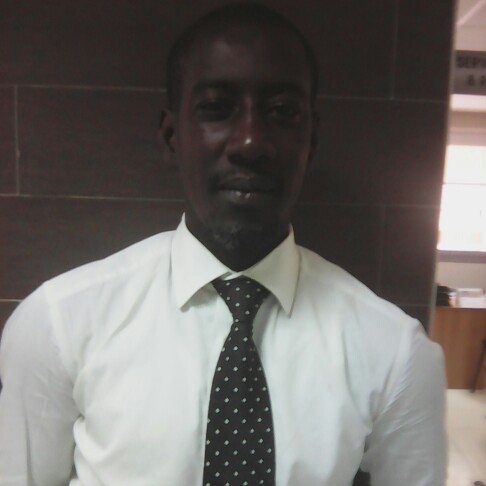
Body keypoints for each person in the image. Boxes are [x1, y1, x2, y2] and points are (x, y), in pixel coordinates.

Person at [0, 3, 446, 485]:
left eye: (282, 112)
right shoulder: (59, 323)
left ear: (311, 139)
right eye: (216, 108)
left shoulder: (394, 353)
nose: (251, 142)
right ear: (172, 136)